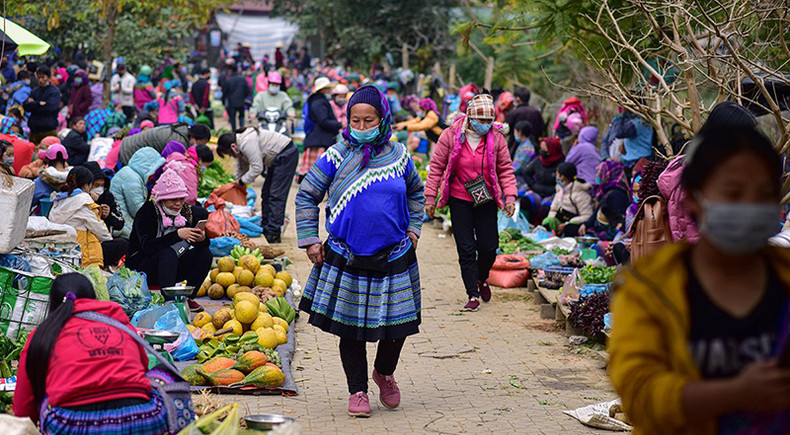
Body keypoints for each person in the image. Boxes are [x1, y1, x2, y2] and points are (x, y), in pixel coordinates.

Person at [609, 126, 790, 434]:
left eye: (764, 195)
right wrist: (735, 393)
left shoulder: (784, 279)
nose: (750, 206)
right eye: (733, 193)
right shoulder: (649, 288)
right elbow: (640, 395)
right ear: (693, 197)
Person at [295, 85, 424, 417]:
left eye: (369, 120)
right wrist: (310, 239)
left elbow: (416, 193)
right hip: (346, 253)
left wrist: (413, 230)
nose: (362, 126)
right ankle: (358, 391)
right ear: (347, 119)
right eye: (356, 120)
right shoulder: (336, 155)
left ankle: (384, 372)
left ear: (382, 120)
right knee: (350, 328)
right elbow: (307, 194)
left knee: (398, 327)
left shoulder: (400, 155)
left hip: (395, 254)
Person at [13, 273, 169, 434]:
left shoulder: (43, 334)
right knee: (161, 376)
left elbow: (24, 406)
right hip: (142, 421)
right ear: (93, 298)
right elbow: (143, 369)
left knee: (46, 399)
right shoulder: (121, 324)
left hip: (72, 427)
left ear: (53, 303)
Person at [424, 94, 517, 312]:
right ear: (469, 117)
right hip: (459, 199)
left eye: (488, 121)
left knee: (489, 247)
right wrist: (430, 197)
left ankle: (481, 278)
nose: (485, 125)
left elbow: (505, 169)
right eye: (481, 120)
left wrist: (510, 196)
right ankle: (472, 294)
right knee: (466, 248)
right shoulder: (450, 135)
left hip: (486, 199)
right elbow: (436, 167)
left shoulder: (497, 139)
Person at [126, 168, 211, 290]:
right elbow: (148, 246)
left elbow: (198, 245)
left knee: (204, 254)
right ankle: (169, 299)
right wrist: (177, 235)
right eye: (173, 199)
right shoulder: (147, 211)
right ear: (162, 199)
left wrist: (202, 239)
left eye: (181, 199)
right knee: (167, 253)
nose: (178, 204)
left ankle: (188, 297)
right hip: (143, 267)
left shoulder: (185, 211)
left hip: (172, 265)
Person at [218, 126, 298, 243]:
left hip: (286, 155)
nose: (231, 156)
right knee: (266, 193)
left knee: (276, 195)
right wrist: (237, 182)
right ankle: (266, 226)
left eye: (229, 154)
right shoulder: (241, 145)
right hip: (276, 158)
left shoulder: (246, 143)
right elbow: (242, 167)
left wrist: (241, 182)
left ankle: (274, 232)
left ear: (233, 147)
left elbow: (257, 168)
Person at [48, 167, 112, 267]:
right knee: (121, 244)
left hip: (59, 247)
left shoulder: (59, 198)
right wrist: (109, 239)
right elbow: (99, 228)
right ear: (86, 185)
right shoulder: (84, 200)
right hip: (80, 252)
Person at [110, 147, 166, 239]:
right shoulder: (132, 179)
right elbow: (137, 210)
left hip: (122, 222)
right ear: (147, 166)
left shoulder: (130, 174)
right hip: (123, 227)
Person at [81, 162, 128, 267]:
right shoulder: (80, 199)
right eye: (96, 185)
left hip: (103, 243)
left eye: (102, 185)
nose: (99, 189)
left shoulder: (107, 196)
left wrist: (108, 215)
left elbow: (120, 223)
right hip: (84, 245)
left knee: (123, 243)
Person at [299, 77, 341, 179]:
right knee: (319, 173)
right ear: (323, 89)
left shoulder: (315, 100)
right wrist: (339, 125)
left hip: (316, 139)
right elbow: (323, 121)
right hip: (320, 140)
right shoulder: (319, 102)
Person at [578, 160, 631, 241]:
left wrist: (603, 237)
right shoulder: (605, 192)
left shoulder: (616, 195)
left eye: (600, 172)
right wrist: (586, 224)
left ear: (608, 173)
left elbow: (617, 222)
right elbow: (599, 210)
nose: (597, 175)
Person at [541, 162, 593, 237]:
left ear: (563, 177)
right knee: (547, 222)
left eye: (557, 174)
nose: (556, 177)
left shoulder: (580, 193)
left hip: (574, 222)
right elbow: (554, 209)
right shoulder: (560, 189)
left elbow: (587, 215)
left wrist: (566, 224)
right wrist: (553, 224)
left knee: (569, 229)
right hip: (561, 219)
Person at [119, 123, 210, 165]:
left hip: (127, 144)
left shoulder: (181, 129)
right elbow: (170, 165)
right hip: (127, 152)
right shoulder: (179, 142)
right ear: (194, 137)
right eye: (200, 143)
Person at [521, 137, 564, 223]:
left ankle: (544, 228)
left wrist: (554, 189)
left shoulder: (561, 163)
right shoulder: (538, 160)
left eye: (545, 149)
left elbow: (563, 182)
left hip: (552, 194)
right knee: (525, 201)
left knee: (544, 209)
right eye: (541, 149)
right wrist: (533, 185)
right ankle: (526, 224)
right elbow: (526, 173)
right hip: (537, 190)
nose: (542, 151)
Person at [24, 66, 61, 145]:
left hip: (48, 130)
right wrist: (38, 103)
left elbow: (50, 108)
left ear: (48, 77)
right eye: (39, 77)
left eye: (43, 77)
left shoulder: (54, 91)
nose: (40, 80)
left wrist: (34, 105)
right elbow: (26, 106)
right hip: (34, 130)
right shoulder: (35, 91)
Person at [505, 87, 545, 155]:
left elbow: (506, 129)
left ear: (518, 99)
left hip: (515, 148)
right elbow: (541, 129)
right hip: (534, 147)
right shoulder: (536, 112)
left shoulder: (514, 113)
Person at [32, 144, 71, 211]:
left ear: (47, 159)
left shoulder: (40, 181)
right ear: (65, 159)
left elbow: (30, 201)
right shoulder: (74, 179)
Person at [222, 65, 250, 131]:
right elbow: (247, 90)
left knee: (232, 119)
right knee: (241, 117)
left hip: (231, 103)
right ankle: (242, 131)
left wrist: (223, 102)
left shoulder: (228, 80)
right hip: (241, 101)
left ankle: (234, 133)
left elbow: (224, 92)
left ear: (230, 70)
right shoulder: (242, 79)